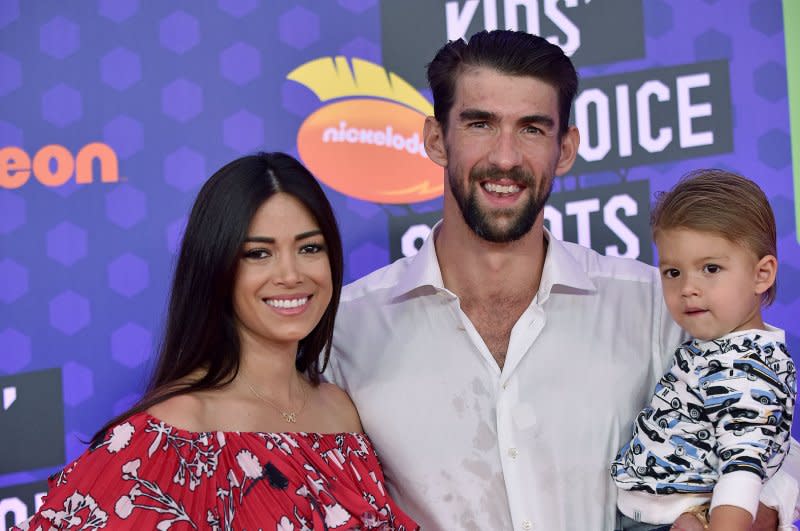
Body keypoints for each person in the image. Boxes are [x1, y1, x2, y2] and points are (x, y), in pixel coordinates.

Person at [325, 30, 798, 530]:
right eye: (480, 124)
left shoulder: (656, 304)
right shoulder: (349, 331)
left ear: (566, 148)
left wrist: (729, 518)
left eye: (531, 129)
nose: (505, 157)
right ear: (436, 139)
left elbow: (767, 445)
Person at [15, 153, 418, 530]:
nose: (291, 274)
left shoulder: (340, 410)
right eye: (259, 254)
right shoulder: (174, 431)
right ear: (216, 268)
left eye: (309, 248)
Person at [611, 170, 796, 531]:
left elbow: (743, 468)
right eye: (673, 272)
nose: (688, 288)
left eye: (710, 268)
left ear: (762, 274)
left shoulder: (746, 367)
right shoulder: (723, 347)